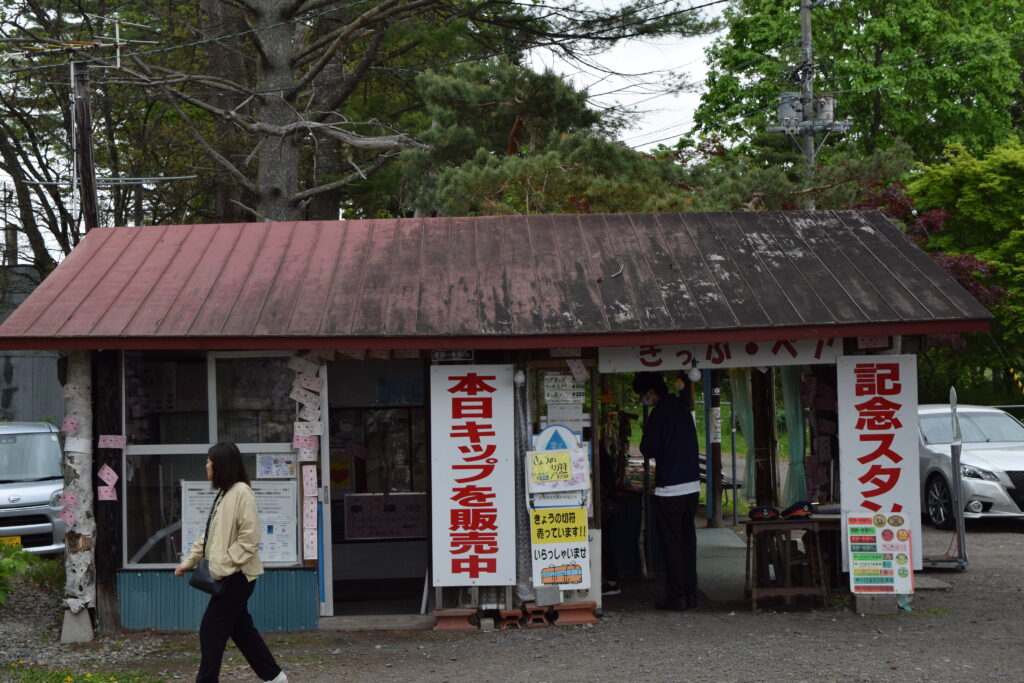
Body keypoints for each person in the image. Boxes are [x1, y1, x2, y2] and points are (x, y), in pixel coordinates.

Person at [175, 442, 287, 683]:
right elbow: (210, 535)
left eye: (209, 461)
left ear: (221, 465)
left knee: (211, 630)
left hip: (237, 575)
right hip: (229, 574)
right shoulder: (225, 494)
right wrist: (189, 561)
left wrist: (224, 565)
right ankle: (275, 677)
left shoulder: (242, 493)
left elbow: (250, 539)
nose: (206, 465)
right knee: (241, 630)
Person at [633, 371, 701, 611]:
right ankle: (691, 594)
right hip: (692, 486)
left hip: (670, 488)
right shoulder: (682, 409)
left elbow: (648, 448)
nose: (643, 399)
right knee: (687, 542)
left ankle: (677, 597)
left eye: (643, 395)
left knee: (672, 545)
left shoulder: (659, 414)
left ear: (651, 392)